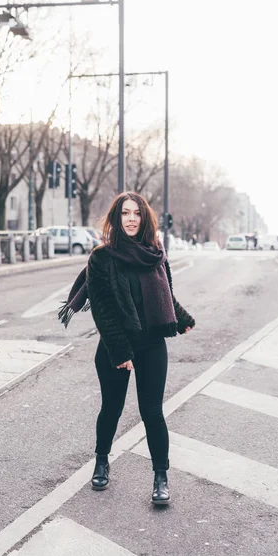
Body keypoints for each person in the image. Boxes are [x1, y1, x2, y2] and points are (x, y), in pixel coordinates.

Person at [58, 191, 195, 505]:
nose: (131, 218)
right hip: (114, 347)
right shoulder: (102, 258)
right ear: (116, 219)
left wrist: (181, 318)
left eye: (136, 213)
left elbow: (166, 297)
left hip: (151, 346)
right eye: (125, 213)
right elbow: (103, 311)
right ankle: (102, 461)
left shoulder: (154, 255)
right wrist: (120, 352)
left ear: (144, 218)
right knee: (112, 408)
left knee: (152, 413)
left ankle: (161, 477)